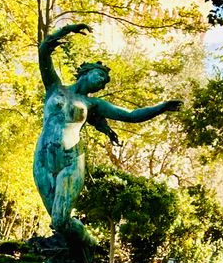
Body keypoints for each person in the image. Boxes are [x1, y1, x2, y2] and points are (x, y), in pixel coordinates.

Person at [34, 22, 181, 248]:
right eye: (100, 77)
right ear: (87, 72)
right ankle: (79, 254)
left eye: (104, 83)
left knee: (60, 218)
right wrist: (65, 31)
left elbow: (132, 115)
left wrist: (161, 107)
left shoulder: (93, 103)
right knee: (59, 225)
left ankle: (90, 243)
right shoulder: (54, 87)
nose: (102, 83)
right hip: (42, 160)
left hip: (71, 161)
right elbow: (44, 52)